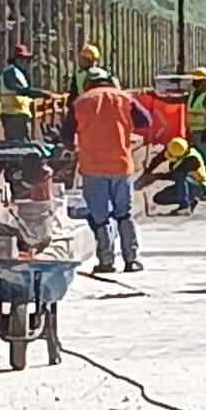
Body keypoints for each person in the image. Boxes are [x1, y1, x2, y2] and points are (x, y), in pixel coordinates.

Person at [60, 68, 151, 274]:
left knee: (100, 217)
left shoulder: (80, 103)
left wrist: (73, 148)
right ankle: (132, 260)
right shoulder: (124, 99)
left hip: (93, 168)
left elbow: (66, 135)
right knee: (124, 214)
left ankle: (106, 261)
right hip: (121, 166)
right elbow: (146, 121)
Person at [139, 137, 206, 215]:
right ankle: (191, 200)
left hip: (197, 186)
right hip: (184, 186)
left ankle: (184, 207)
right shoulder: (176, 149)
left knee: (179, 175)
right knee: (159, 198)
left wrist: (156, 177)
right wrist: (148, 171)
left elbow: (174, 175)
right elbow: (159, 158)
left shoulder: (192, 159)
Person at [0, 44, 54, 141]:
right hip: (12, 115)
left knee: (23, 142)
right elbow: (19, 90)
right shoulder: (10, 72)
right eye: (21, 59)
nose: (24, 62)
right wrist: (40, 93)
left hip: (19, 114)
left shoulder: (17, 72)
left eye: (25, 59)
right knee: (18, 144)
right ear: (14, 59)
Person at [185, 66, 206, 201]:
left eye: (198, 81)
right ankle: (200, 188)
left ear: (205, 82)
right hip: (194, 132)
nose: (195, 83)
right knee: (196, 162)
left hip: (204, 133)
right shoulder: (194, 92)